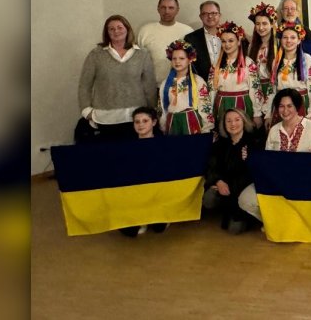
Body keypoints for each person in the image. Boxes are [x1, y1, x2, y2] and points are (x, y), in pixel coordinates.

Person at [77, 15, 157, 142]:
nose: (116, 31)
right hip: (106, 118)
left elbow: (150, 85)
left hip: (136, 118)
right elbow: (84, 85)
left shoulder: (142, 54)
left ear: (127, 29)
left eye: (120, 27)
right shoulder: (96, 55)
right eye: (111, 29)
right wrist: (86, 111)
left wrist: (152, 111)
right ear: (107, 32)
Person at [204, 108, 259, 235]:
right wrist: (218, 181)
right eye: (228, 121)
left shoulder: (253, 142)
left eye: (237, 120)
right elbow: (212, 166)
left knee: (235, 229)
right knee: (208, 199)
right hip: (225, 185)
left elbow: (252, 173)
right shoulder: (220, 144)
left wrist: (230, 186)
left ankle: (246, 216)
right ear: (224, 124)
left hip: (242, 187)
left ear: (244, 121)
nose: (233, 124)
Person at [264, 21, 311, 130]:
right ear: (280, 40)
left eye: (292, 37)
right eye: (285, 37)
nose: (289, 41)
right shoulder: (276, 61)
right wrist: (268, 114)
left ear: (299, 40)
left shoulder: (306, 59)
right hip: (282, 108)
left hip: (301, 106)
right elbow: (272, 89)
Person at [119, 107, 168, 237]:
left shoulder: (164, 144)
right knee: (130, 232)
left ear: (153, 122)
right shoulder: (127, 146)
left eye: (145, 121)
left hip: (157, 192)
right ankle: (140, 220)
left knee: (159, 228)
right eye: (137, 121)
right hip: (135, 192)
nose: (140, 125)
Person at [208, 21, 264, 129]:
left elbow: (255, 89)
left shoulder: (248, 63)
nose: (227, 44)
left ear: (238, 41)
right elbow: (211, 90)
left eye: (231, 41)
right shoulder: (216, 64)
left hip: (242, 103)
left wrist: (257, 114)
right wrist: (210, 113)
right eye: (223, 41)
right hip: (222, 104)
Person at [158, 40, 214, 135]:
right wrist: (163, 126)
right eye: (174, 58)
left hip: (191, 122)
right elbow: (163, 108)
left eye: (181, 58)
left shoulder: (197, 81)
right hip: (173, 123)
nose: (177, 61)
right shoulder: (165, 84)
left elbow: (205, 106)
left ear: (189, 60)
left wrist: (207, 127)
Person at [136, 0, 194, 86]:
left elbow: (192, 60)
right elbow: (138, 61)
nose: (167, 11)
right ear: (158, 9)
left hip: (181, 87)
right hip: (152, 86)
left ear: (177, 10)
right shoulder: (145, 31)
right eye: (163, 7)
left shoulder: (187, 31)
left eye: (171, 8)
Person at [265, 89, 311, 154]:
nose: (285, 110)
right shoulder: (274, 130)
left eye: (289, 106)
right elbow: (267, 159)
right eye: (281, 106)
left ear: (297, 107)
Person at [247, 1, 279, 106]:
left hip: (275, 90)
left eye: (264, 23)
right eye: (257, 24)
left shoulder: (278, 45)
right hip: (256, 92)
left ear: (272, 24)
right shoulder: (252, 46)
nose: (261, 28)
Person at [184, 0, 224, 80]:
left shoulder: (231, 36)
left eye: (213, 13)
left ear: (219, 15)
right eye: (205, 13)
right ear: (200, 16)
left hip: (229, 86)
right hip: (201, 86)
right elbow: (190, 67)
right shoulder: (191, 39)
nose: (209, 16)